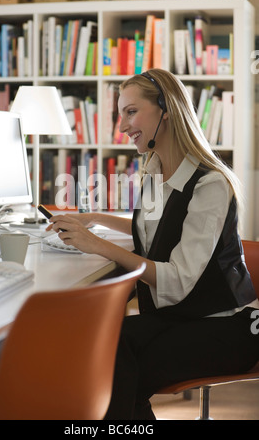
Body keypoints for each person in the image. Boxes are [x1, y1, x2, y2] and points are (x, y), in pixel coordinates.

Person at [47, 69, 259, 420]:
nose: (122, 126)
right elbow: (152, 233)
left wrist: (97, 245)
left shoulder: (211, 185)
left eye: (131, 112)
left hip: (224, 327)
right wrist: (93, 219)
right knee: (105, 347)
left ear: (167, 109)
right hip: (180, 318)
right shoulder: (155, 169)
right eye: (121, 114)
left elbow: (176, 278)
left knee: (114, 366)